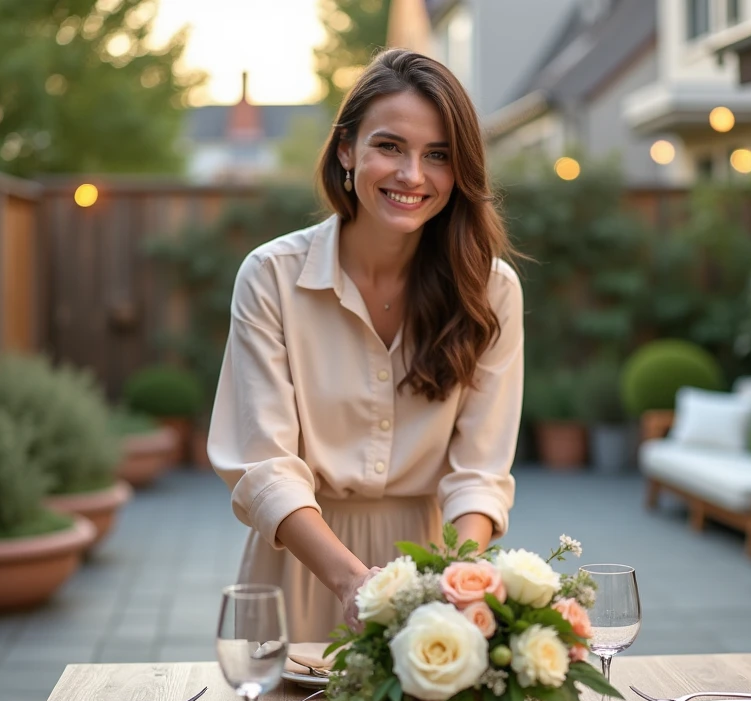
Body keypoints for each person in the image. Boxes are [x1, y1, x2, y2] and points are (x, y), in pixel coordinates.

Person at [207, 49, 524, 643]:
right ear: (347, 150)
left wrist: (456, 580)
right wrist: (353, 581)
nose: (412, 175)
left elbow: (480, 470)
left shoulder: (492, 291)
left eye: (438, 156)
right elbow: (264, 463)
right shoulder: (271, 276)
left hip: (434, 568)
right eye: (389, 146)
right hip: (299, 565)